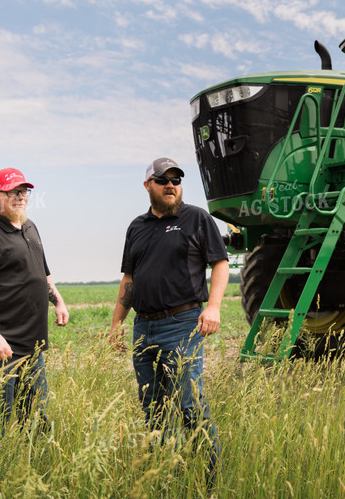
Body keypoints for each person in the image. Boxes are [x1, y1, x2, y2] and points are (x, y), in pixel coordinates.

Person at [109, 157, 228, 481]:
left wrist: (213, 306)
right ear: (149, 185)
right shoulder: (136, 227)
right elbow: (129, 279)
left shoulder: (197, 219)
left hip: (182, 323)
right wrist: (117, 325)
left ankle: (210, 480)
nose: (171, 185)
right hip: (143, 327)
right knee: (153, 407)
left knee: (189, 405)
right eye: (163, 180)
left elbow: (219, 263)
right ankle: (165, 475)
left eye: (176, 180)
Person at [0, 167, 69, 443]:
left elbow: (40, 272)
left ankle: (31, 473)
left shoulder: (29, 226)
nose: (20, 197)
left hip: (32, 345)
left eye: (23, 191)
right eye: (12, 192)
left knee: (36, 418)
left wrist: (58, 301)